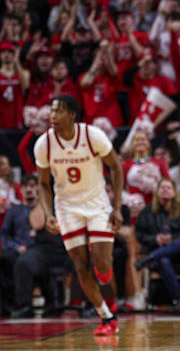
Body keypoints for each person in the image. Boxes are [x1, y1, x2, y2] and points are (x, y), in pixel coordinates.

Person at [32, 95, 125, 336]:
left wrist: (116, 207)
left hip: (97, 203)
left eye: (58, 111)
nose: (52, 116)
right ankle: (106, 316)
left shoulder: (92, 136)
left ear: (72, 115)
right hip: (67, 207)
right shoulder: (44, 144)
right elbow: (43, 183)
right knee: (81, 265)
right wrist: (48, 212)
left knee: (102, 264)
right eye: (51, 111)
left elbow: (115, 166)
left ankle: (109, 295)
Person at [133, 178, 180, 307]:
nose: (165, 190)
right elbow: (140, 235)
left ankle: (147, 260)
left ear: (174, 192)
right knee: (164, 260)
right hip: (157, 249)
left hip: (179, 252)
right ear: (157, 192)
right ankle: (177, 300)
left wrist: (172, 239)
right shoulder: (147, 212)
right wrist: (155, 239)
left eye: (168, 188)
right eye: (162, 188)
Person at [0, 175, 38, 315]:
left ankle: (26, 304)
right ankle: (9, 304)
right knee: (4, 259)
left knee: (27, 261)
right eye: (26, 186)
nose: (29, 189)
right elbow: (4, 234)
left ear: (38, 188)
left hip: (37, 251)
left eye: (32, 186)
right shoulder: (14, 211)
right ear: (20, 189)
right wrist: (16, 247)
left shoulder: (43, 210)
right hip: (17, 250)